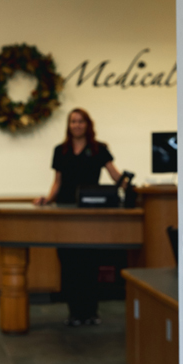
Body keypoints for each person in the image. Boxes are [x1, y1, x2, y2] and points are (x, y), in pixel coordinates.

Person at [35, 108, 122, 326]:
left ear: (87, 124)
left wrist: (130, 186)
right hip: (65, 213)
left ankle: (91, 312)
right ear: (69, 125)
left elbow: (114, 174)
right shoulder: (60, 150)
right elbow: (58, 181)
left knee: (90, 263)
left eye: (81, 121)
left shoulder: (99, 149)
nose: (77, 125)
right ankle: (74, 312)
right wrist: (47, 199)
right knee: (69, 263)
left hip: (90, 214)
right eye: (73, 121)